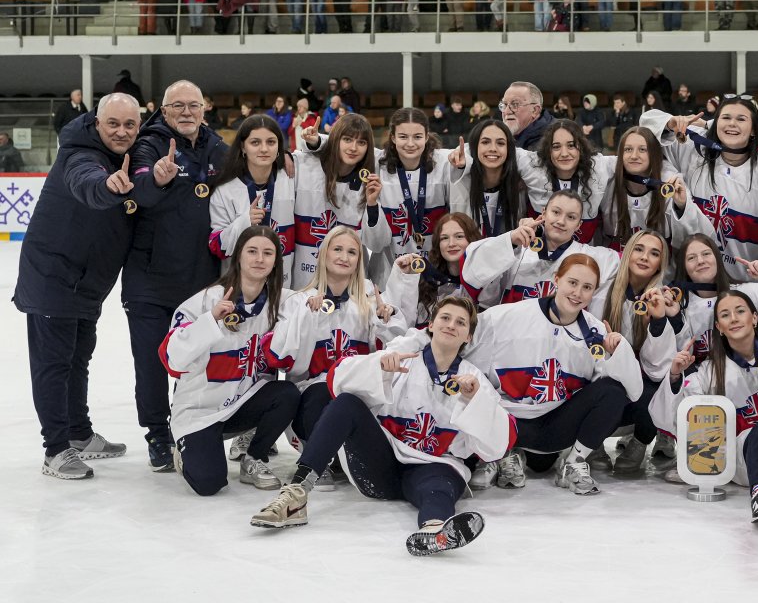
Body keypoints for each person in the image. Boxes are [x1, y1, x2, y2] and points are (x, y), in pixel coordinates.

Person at [251, 297, 505, 556]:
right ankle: (296, 494)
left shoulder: (474, 381)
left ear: (469, 337)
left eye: (461, 322)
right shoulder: (400, 358)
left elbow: (497, 446)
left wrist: (474, 401)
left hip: (433, 469)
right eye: (445, 318)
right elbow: (336, 381)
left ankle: (434, 530)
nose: (451, 325)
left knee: (438, 488)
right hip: (381, 467)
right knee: (347, 404)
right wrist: (378, 368)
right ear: (430, 325)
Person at [14, 93, 140, 480]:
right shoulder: (80, 153)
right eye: (113, 124)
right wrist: (109, 186)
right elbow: (86, 182)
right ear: (97, 123)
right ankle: (55, 449)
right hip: (54, 277)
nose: (121, 132)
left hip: (86, 282)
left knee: (78, 359)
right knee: (54, 365)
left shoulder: (125, 153)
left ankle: (79, 433)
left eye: (129, 125)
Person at [464, 254, 642, 495]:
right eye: (572, 282)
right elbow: (459, 346)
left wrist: (618, 352)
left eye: (587, 287)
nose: (578, 292)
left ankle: (574, 463)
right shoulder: (506, 316)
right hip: (506, 422)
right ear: (556, 280)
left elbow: (634, 391)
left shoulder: (596, 332)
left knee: (613, 391)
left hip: (553, 428)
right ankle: (499, 454)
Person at [123, 80, 229, 471]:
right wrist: (158, 178)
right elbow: (140, 188)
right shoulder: (149, 144)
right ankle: (156, 433)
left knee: (197, 360)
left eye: (193, 105)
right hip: (149, 278)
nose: (186, 112)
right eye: (177, 106)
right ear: (164, 112)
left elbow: (250, 172)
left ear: (204, 109)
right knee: (151, 363)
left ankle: (193, 426)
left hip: (200, 280)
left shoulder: (217, 147)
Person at [161, 227, 300, 494]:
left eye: (267, 253)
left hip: (242, 404)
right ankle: (185, 445)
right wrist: (210, 320)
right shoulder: (204, 301)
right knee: (208, 484)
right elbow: (173, 358)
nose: (259, 259)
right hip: (200, 411)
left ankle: (254, 458)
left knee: (287, 393)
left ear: (275, 262)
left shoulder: (283, 302)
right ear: (238, 257)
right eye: (252, 251)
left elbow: (311, 308)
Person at [266, 226, 405, 488]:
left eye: (352, 252)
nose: (344, 256)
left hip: (357, 389)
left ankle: (351, 456)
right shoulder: (299, 301)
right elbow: (284, 360)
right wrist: (305, 318)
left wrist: (386, 318)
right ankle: (320, 460)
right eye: (337, 249)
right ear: (324, 255)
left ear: (358, 261)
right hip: (314, 390)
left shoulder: (369, 302)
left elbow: (393, 349)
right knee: (320, 395)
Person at [648, 293, 758, 516]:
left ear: (754, 318)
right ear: (719, 327)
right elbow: (668, 417)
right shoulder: (709, 371)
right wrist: (676, 375)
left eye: (740, 311)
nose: (734, 318)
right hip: (743, 462)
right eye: (725, 315)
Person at [643, 95, 758, 281]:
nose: (732, 124)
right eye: (726, 118)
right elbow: (644, 129)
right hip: (691, 276)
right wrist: (668, 123)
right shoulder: (694, 150)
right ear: (715, 124)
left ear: (754, 130)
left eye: (741, 119)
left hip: (744, 283)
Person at [595, 231, 686, 475]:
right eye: (639, 249)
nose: (645, 257)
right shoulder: (601, 293)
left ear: (660, 264)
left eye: (654, 253)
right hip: (604, 381)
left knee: (658, 386)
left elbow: (658, 368)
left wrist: (657, 322)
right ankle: (593, 443)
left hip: (639, 390)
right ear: (627, 254)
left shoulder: (660, 300)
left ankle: (640, 441)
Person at [460, 189, 619, 311]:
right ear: (543, 213)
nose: (561, 221)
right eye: (556, 212)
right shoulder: (517, 248)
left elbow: (631, 259)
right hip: (512, 337)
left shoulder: (590, 257)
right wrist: (510, 240)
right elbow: (472, 267)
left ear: (578, 225)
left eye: (571, 217)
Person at [670, 234, 758, 366]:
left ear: (717, 258)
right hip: (708, 384)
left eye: (706, 254)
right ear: (684, 266)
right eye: (691, 258)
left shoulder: (751, 293)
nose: (700, 261)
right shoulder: (678, 308)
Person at [293, 114, 391, 290]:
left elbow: (377, 244)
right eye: (347, 139)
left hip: (347, 286)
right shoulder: (304, 165)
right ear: (336, 139)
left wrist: (372, 205)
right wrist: (315, 142)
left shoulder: (369, 183)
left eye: (361, 142)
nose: (353, 148)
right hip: (303, 281)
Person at [208, 115, 297, 288]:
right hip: (238, 289)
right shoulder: (225, 190)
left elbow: (321, 156)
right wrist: (244, 222)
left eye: (271, 142)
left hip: (282, 286)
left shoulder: (291, 179)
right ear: (243, 147)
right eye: (255, 142)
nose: (264, 149)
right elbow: (216, 247)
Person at [600, 126, 711, 255]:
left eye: (642, 150)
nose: (634, 156)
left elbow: (691, 238)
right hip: (617, 263)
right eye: (628, 149)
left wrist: (681, 206)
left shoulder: (670, 182)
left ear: (653, 154)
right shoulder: (608, 180)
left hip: (660, 267)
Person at [513, 119, 616, 245]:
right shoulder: (533, 165)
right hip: (537, 256)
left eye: (571, 145)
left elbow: (635, 158)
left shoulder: (599, 166)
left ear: (581, 147)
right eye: (556, 147)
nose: (564, 153)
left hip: (582, 257)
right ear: (548, 150)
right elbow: (500, 149)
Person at [376, 108, 453, 270]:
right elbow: (342, 146)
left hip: (436, 268)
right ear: (393, 138)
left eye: (417, 137)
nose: (410, 144)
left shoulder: (445, 161)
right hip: (390, 269)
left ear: (426, 137)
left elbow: (478, 151)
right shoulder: (378, 163)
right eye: (403, 137)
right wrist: (315, 142)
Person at [389, 213, 492, 328]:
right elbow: (405, 325)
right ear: (438, 244)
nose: (451, 244)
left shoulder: (488, 283)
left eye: (459, 236)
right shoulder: (426, 282)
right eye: (444, 238)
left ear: (472, 240)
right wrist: (406, 277)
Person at [449, 119, 525, 242]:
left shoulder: (519, 186)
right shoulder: (459, 181)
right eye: (485, 142)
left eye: (500, 143)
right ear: (475, 146)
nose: (493, 149)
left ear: (509, 149)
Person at [499, 81, 554, 150]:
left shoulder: (553, 142)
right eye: (504, 105)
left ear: (534, 110)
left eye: (515, 104)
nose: (506, 111)